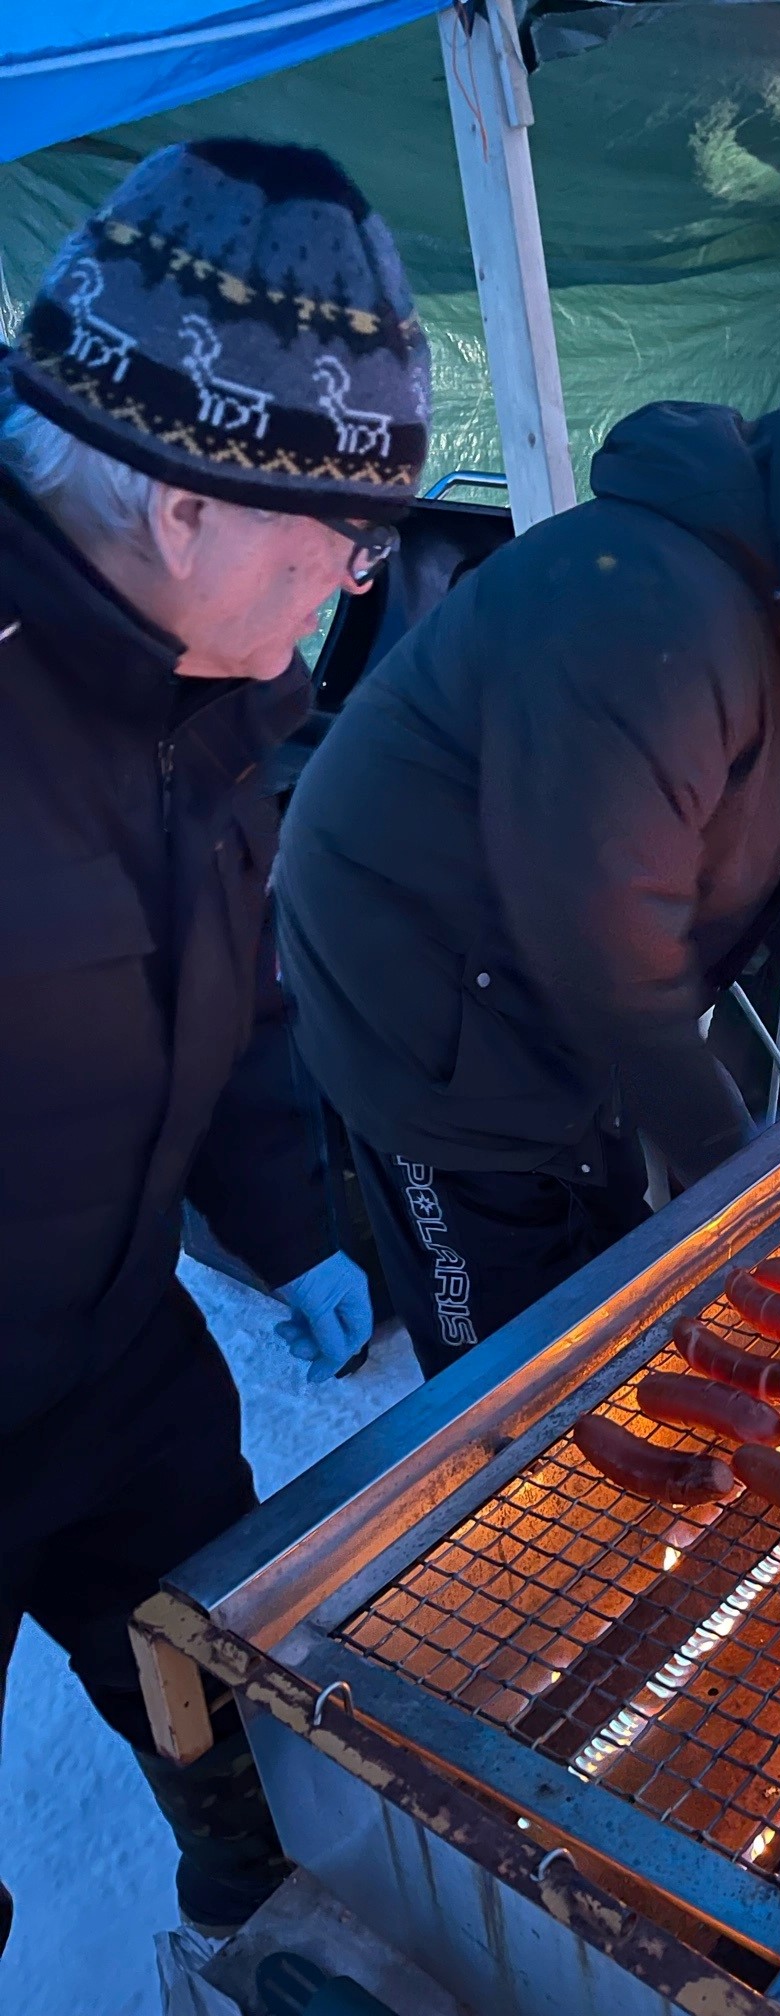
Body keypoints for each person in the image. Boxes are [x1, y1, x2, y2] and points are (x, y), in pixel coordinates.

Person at [275, 337, 780, 1377]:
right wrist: (739, 1186)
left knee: (612, 1285)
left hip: (544, 993)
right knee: (512, 1372)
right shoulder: (655, 611)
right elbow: (604, 939)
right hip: (423, 1015)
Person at [0, 139, 430, 1933]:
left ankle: (270, 1953)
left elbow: (230, 988)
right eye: (342, 543)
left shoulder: (209, 694)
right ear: (185, 504)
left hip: (110, 1366)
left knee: (241, 1730)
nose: (351, 591)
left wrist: (290, 1221)